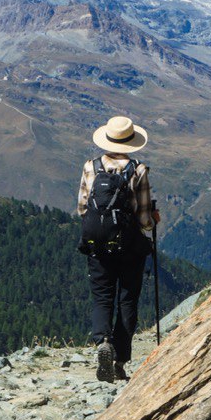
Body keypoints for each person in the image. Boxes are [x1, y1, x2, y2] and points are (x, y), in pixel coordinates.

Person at [77, 115, 160, 383]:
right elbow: (144, 220)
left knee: (102, 297)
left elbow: (81, 208)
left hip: (97, 245)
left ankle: (102, 341)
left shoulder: (91, 167)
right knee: (127, 299)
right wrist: (152, 220)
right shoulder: (138, 170)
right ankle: (120, 360)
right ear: (130, 142)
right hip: (129, 247)